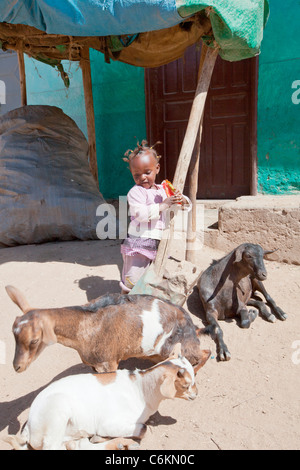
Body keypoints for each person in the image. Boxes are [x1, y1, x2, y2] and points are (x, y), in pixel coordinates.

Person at [120, 140, 191, 293]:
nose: (143, 178)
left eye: (147, 172)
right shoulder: (135, 192)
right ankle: (125, 299)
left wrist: (181, 199)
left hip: (158, 241)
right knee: (133, 276)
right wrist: (163, 205)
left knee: (156, 272)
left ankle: (147, 300)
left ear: (157, 168)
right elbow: (140, 214)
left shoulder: (163, 189)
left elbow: (183, 205)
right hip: (138, 242)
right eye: (137, 175)